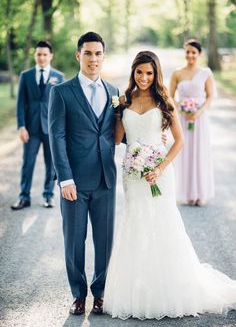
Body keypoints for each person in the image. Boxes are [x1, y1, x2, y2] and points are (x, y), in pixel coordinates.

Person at [103, 51, 236, 320]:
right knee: (135, 225)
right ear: (133, 73)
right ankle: (137, 290)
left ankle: (168, 289)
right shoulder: (125, 101)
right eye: (139, 72)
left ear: (156, 74)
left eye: (149, 73)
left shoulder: (165, 101)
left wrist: (159, 167)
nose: (144, 78)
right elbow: (118, 141)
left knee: (163, 225)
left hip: (160, 173)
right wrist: (118, 114)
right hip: (133, 174)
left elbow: (179, 142)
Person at [48, 32, 119, 315]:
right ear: (79, 55)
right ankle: (78, 294)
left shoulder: (114, 93)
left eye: (98, 53)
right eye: (88, 53)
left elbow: (118, 131)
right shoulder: (62, 92)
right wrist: (65, 178)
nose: (93, 59)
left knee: (104, 242)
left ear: (103, 56)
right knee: (74, 242)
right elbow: (57, 137)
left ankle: (100, 293)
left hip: (105, 180)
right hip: (74, 183)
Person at [11, 40, 64, 210]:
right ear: (35, 55)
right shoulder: (25, 76)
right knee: (28, 163)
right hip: (31, 129)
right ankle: (24, 197)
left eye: (44, 54)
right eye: (38, 54)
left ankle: (48, 196)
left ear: (51, 56)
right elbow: (20, 103)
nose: (41, 57)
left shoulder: (59, 77)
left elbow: (62, 105)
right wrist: (21, 126)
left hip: (51, 128)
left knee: (51, 164)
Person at [169, 39, 215, 206]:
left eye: (193, 52)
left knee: (199, 153)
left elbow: (210, 96)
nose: (190, 55)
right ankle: (186, 193)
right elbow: (170, 96)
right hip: (182, 118)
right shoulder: (177, 73)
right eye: (187, 52)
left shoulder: (206, 73)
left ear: (199, 54)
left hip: (200, 119)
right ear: (184, 52)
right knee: (184, 153)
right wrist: (181, 110)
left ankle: (199, 193)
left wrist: (198, 112)